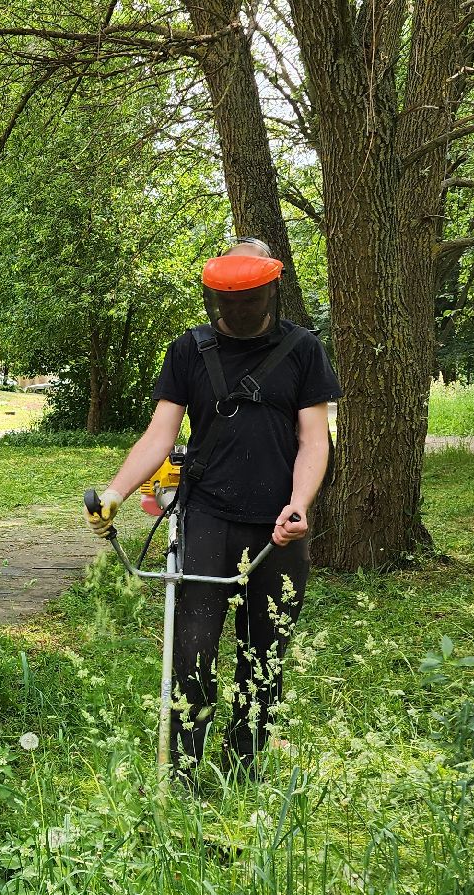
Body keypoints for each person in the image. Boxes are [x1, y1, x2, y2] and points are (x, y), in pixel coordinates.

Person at [86, 239, 341, 781]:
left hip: (279, 529)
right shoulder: (189, 350)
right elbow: (160, 435)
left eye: (249, 298)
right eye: (229, 300)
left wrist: (298, 505)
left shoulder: (303, 350)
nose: (239, 309)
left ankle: (243, 770)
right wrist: (115, 493)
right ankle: (181, 770)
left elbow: (314, 440)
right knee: (193, 650)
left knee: (265, 650)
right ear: (213, 299)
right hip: (206, 517)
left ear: (269, 291)